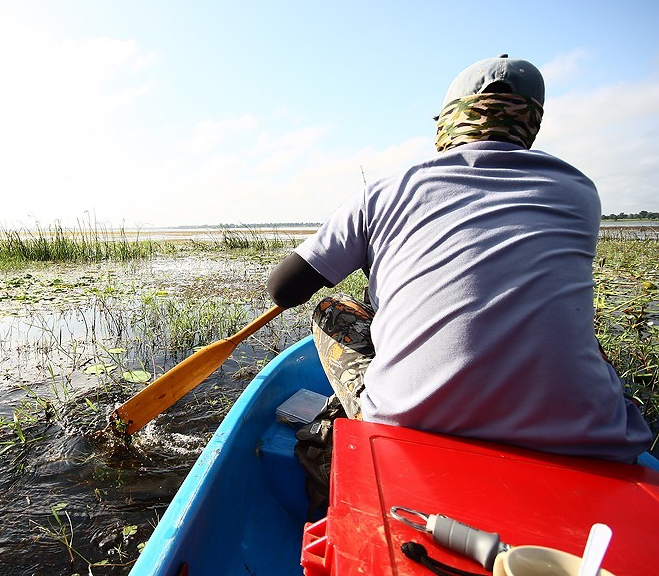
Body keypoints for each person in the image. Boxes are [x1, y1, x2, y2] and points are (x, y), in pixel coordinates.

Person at [268, 54, 653, 462]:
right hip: (588, 439)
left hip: (410, 430)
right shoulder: (578, 191)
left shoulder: (384, 192)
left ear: (448, 122)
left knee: (332, 309)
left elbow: (284, 288)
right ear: (531, 123)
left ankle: (359, 420)